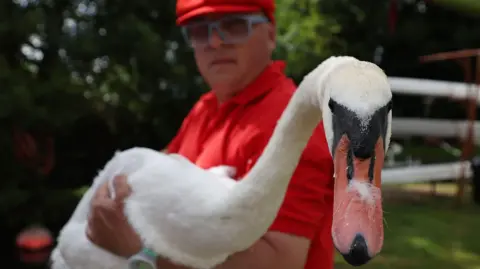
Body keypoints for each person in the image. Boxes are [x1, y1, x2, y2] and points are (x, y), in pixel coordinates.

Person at [86, 0, 335, 268]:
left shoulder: (291, 125)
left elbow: (281, 260)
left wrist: (143, 252)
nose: (215, 42)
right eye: (199, 30)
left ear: (271, 35)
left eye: (235, 25)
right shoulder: (205, 109)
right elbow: (152, 175)